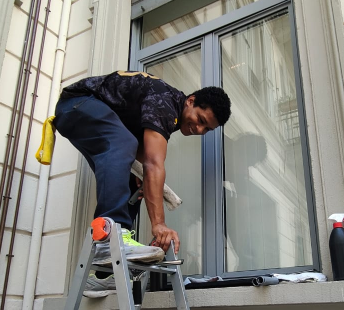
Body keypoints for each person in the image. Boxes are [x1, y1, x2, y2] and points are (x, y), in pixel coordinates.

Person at [53, 70, 231, 297]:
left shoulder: (166, 113)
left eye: (207, 129)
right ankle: (110, 239)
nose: (199, 130)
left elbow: (143, 162)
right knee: (123, 145)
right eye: (200, 120)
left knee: (132, 182)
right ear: (191, 101)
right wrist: (159, 224)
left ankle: (101, 275)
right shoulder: (165, 101)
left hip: (86, 112)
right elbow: (153, 164)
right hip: (77, 103)